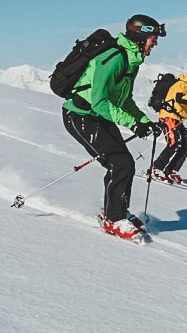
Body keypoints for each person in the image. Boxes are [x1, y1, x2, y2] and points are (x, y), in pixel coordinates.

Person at [62, 14, 164, 240]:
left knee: (122, 164)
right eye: (153, 38)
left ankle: (115, 211)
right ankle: (113, 219)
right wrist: (132, 123)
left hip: (99, 116)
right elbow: (99, 101)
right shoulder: (114, 58)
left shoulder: (131, 60)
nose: (155, 43)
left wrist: (143, 120)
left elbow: (124, 100)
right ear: (140, 36)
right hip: (80, 115)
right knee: (121, 163)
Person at [149, 69, 187, 183]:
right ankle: (155, 169)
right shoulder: (182, 84)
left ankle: (171, 171)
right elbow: (180, 97)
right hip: (168, 116)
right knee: (174, 142)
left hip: (177, 119)